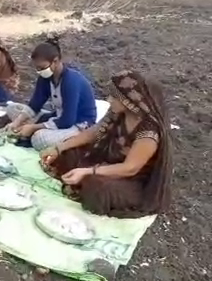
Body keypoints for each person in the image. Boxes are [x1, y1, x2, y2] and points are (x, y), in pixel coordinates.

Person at [40, 70, 173, 217]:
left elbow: (130, 168)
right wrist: (58, 148)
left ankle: (83, 190)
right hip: (106, 161)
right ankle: (78, 183)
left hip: (129, 178)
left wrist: (88, 171)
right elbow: (94, 132)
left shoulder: (148, 133)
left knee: (97, 185)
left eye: (115, 97)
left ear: (129, 101)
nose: (109, 100)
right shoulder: (118, 112)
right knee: (69, 152)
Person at [6, 39, 97, 151]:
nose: (39, 71)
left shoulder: (71, 81)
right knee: (12, 109)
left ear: (55, 61)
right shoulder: (46, 77)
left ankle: (73, 138)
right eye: (37, 69)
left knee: (39, 139)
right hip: (58, 116)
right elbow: (35, 104)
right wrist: (16, 122)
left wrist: (33, 128)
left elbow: (67, 120)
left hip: (78, 123)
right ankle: (28, 129)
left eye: (42, 68)